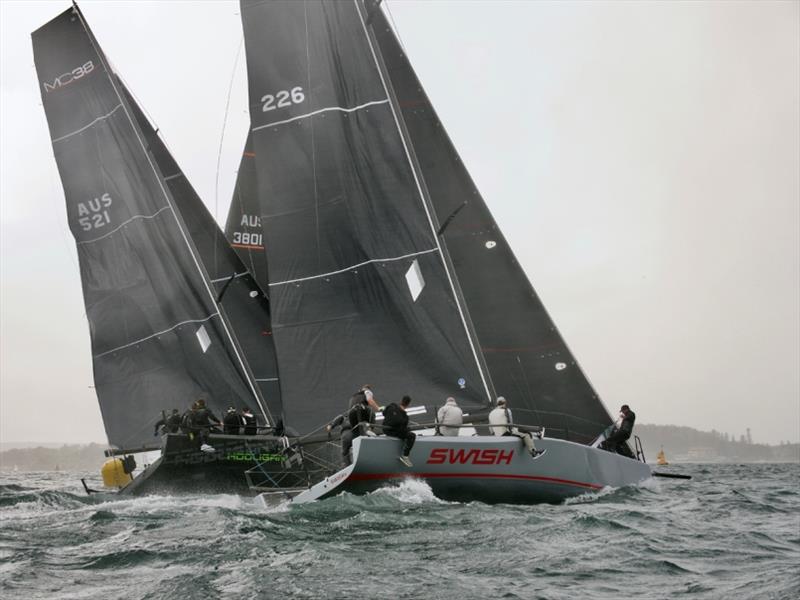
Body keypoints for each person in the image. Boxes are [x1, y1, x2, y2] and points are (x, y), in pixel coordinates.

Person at [326, 392, 376, 466]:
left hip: (347, 436)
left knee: (344, 452)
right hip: (359, 434)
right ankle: (366, 462)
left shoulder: (343, 417)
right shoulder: (362, 413)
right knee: (361, 449)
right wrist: (371, 428)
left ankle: (346, 466)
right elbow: (372, 415)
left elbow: (333, 423)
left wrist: (330, 427)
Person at [381, 396, 416, 467]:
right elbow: (403, 429)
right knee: (412, 435)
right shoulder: (405, 416)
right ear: (408, 404)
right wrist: (408, 430)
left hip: (385, 430)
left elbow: (383, 413)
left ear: (401, 400)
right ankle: (405, 456)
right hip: (394, 432)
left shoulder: (391, 406)